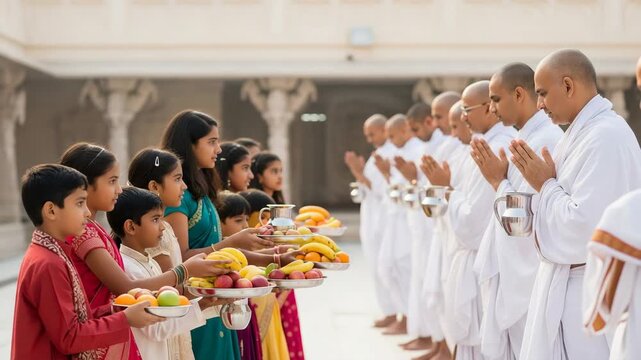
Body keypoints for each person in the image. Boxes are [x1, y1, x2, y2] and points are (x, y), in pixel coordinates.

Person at [511, 49, 641, 360]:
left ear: (568, 86)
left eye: (542, 93)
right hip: (568, 285)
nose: (539, 105)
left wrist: (545, 184)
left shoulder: (605, 137)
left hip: (586, 291)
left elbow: (582, 228)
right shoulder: (583, 135)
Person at [60, 142, 225, 359]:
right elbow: (127, 288)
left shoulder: (94, 229)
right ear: (84, 185)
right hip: (100, 337)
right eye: (112, 181)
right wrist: (185, 271)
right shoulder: (84, 233)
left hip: (111, 334)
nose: (119, 189)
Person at [11, 164, 163, 359]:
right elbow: (70, 336)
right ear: (51, 210)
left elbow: (73, 319)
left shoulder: (53, 252)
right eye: (80, 203)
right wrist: (125, 319)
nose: (87, 212)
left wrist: (118, 309)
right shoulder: (48, 263)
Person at [161, 110, 273, 360]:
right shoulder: (178, 200)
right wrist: (232, 242)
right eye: (212, 142)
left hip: (218, 300)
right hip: (197, 305)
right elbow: (180, 261)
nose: (219, 149)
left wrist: (274, 258)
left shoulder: (200, 192)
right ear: (190, 146)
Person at [470, 63, 563, 360]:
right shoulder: (524, 139)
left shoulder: (544, 141)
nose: (493, 109)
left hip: (528, 273)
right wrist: (501, 182)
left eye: (496, 100)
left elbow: (524, 222)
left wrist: (498, 181)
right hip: (516, 269)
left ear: (519, 94)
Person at [424, 81, 517, 359]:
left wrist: (447, 189)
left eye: (466, 110)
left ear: (489, 107)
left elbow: (471, 225)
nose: (462, 118)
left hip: (480, 262)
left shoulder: (494, 146)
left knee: (480, 344)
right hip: (466, 255)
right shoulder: (479, 145)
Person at [108, 187, 229, 360]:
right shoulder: (128, 267)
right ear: (131, 227)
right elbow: (156, 329)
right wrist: (200, 303)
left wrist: (206, 301)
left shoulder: (149, 262)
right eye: (156, 220)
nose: (163, 228)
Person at [417, 92, 462, 360]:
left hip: (458, 234)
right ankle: (441, 345)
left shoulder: (467, 146)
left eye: (438, 116)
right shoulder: (448, 145)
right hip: (440, 226)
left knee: (449, 296)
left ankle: (447, 349)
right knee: (434, 290)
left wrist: (445, 189)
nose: (434, 122)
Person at [344, 114, 398, 329]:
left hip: (386, 219)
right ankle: (390, 311)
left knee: (388, 266)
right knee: (377, 265)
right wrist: (358, 174)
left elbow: (383, 190)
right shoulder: (378, 154)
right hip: (372, 217)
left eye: (372, 134)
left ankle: (398, 313)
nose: (369, 139)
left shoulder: (392, 155)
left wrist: (357, 170)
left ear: (385, 130)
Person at [373, 114, 419, 335]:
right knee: (388, 266)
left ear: (405, 130)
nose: (390, 140)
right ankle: (403, 314)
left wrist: (402, 178)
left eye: (392, 135)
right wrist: (387, 174)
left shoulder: (418, 150)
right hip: (395, 217)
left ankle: (409, 318)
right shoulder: (401, 152)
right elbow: (393, 188)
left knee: (403, 267)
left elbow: (413, 188)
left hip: (408, 220)